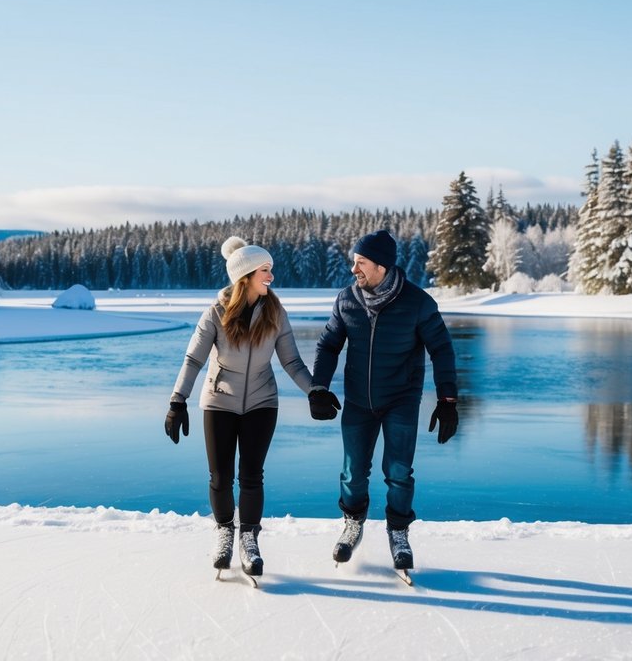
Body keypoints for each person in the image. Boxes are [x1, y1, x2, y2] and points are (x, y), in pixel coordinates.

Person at [307, 229, 458, 572]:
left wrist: (448, 399)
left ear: (381, 265)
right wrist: (318, 388)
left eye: (360, 262)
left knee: (399, 472)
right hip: (359, 401)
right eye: (353, 262)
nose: (354, 269)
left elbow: (442, 349)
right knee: (352, 473)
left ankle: (399, 531)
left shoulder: (417, 303)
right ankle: (353, 523)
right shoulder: (347, 300)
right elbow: (328, 345)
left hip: (401, 400)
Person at [165, 236, 315, 578]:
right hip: (219, 401)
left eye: (271, 270)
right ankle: (224, 532)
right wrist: (178, 400)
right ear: (245, 275)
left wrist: (314, 391)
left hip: (263, 401)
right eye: (265, 271)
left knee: (251, 476)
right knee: (220, 477)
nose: (271, 277)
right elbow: (193, 360)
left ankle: (249, 537)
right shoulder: (216, 312)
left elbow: (292, 363)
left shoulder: (275, 312)